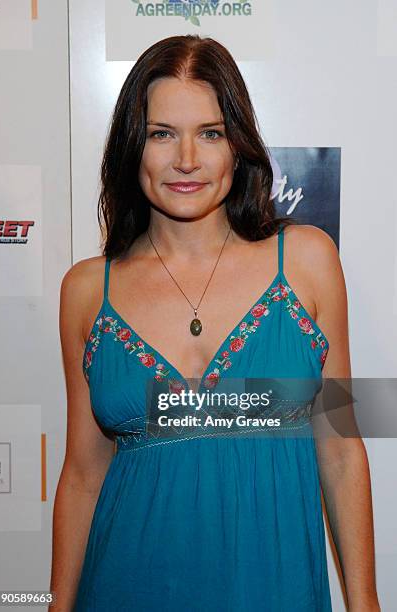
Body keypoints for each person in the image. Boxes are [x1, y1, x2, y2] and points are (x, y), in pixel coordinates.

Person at [50, 35, 380, 611]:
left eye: (210, 133)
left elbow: (341, 446)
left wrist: (366, 602)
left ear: (239, 146)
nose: (186, 159)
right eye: (161, 134)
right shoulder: (86, 291)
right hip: (127, 586)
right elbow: (82, 473)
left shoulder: (305, 261)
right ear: (134, 147)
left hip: (271, 587)